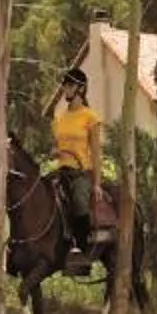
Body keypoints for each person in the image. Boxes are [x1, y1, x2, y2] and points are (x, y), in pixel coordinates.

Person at [50, 67, 104, 241]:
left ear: (81, 88)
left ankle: (81, 246)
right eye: (64, 85)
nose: (65, 89)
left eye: (69, 85)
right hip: (61, 170)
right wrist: (54, 151)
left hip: (80, 173)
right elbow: (55, 146)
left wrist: (96, 184)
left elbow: (96, 152)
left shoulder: (90, 117)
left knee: (80, 202)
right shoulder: (59, 117)